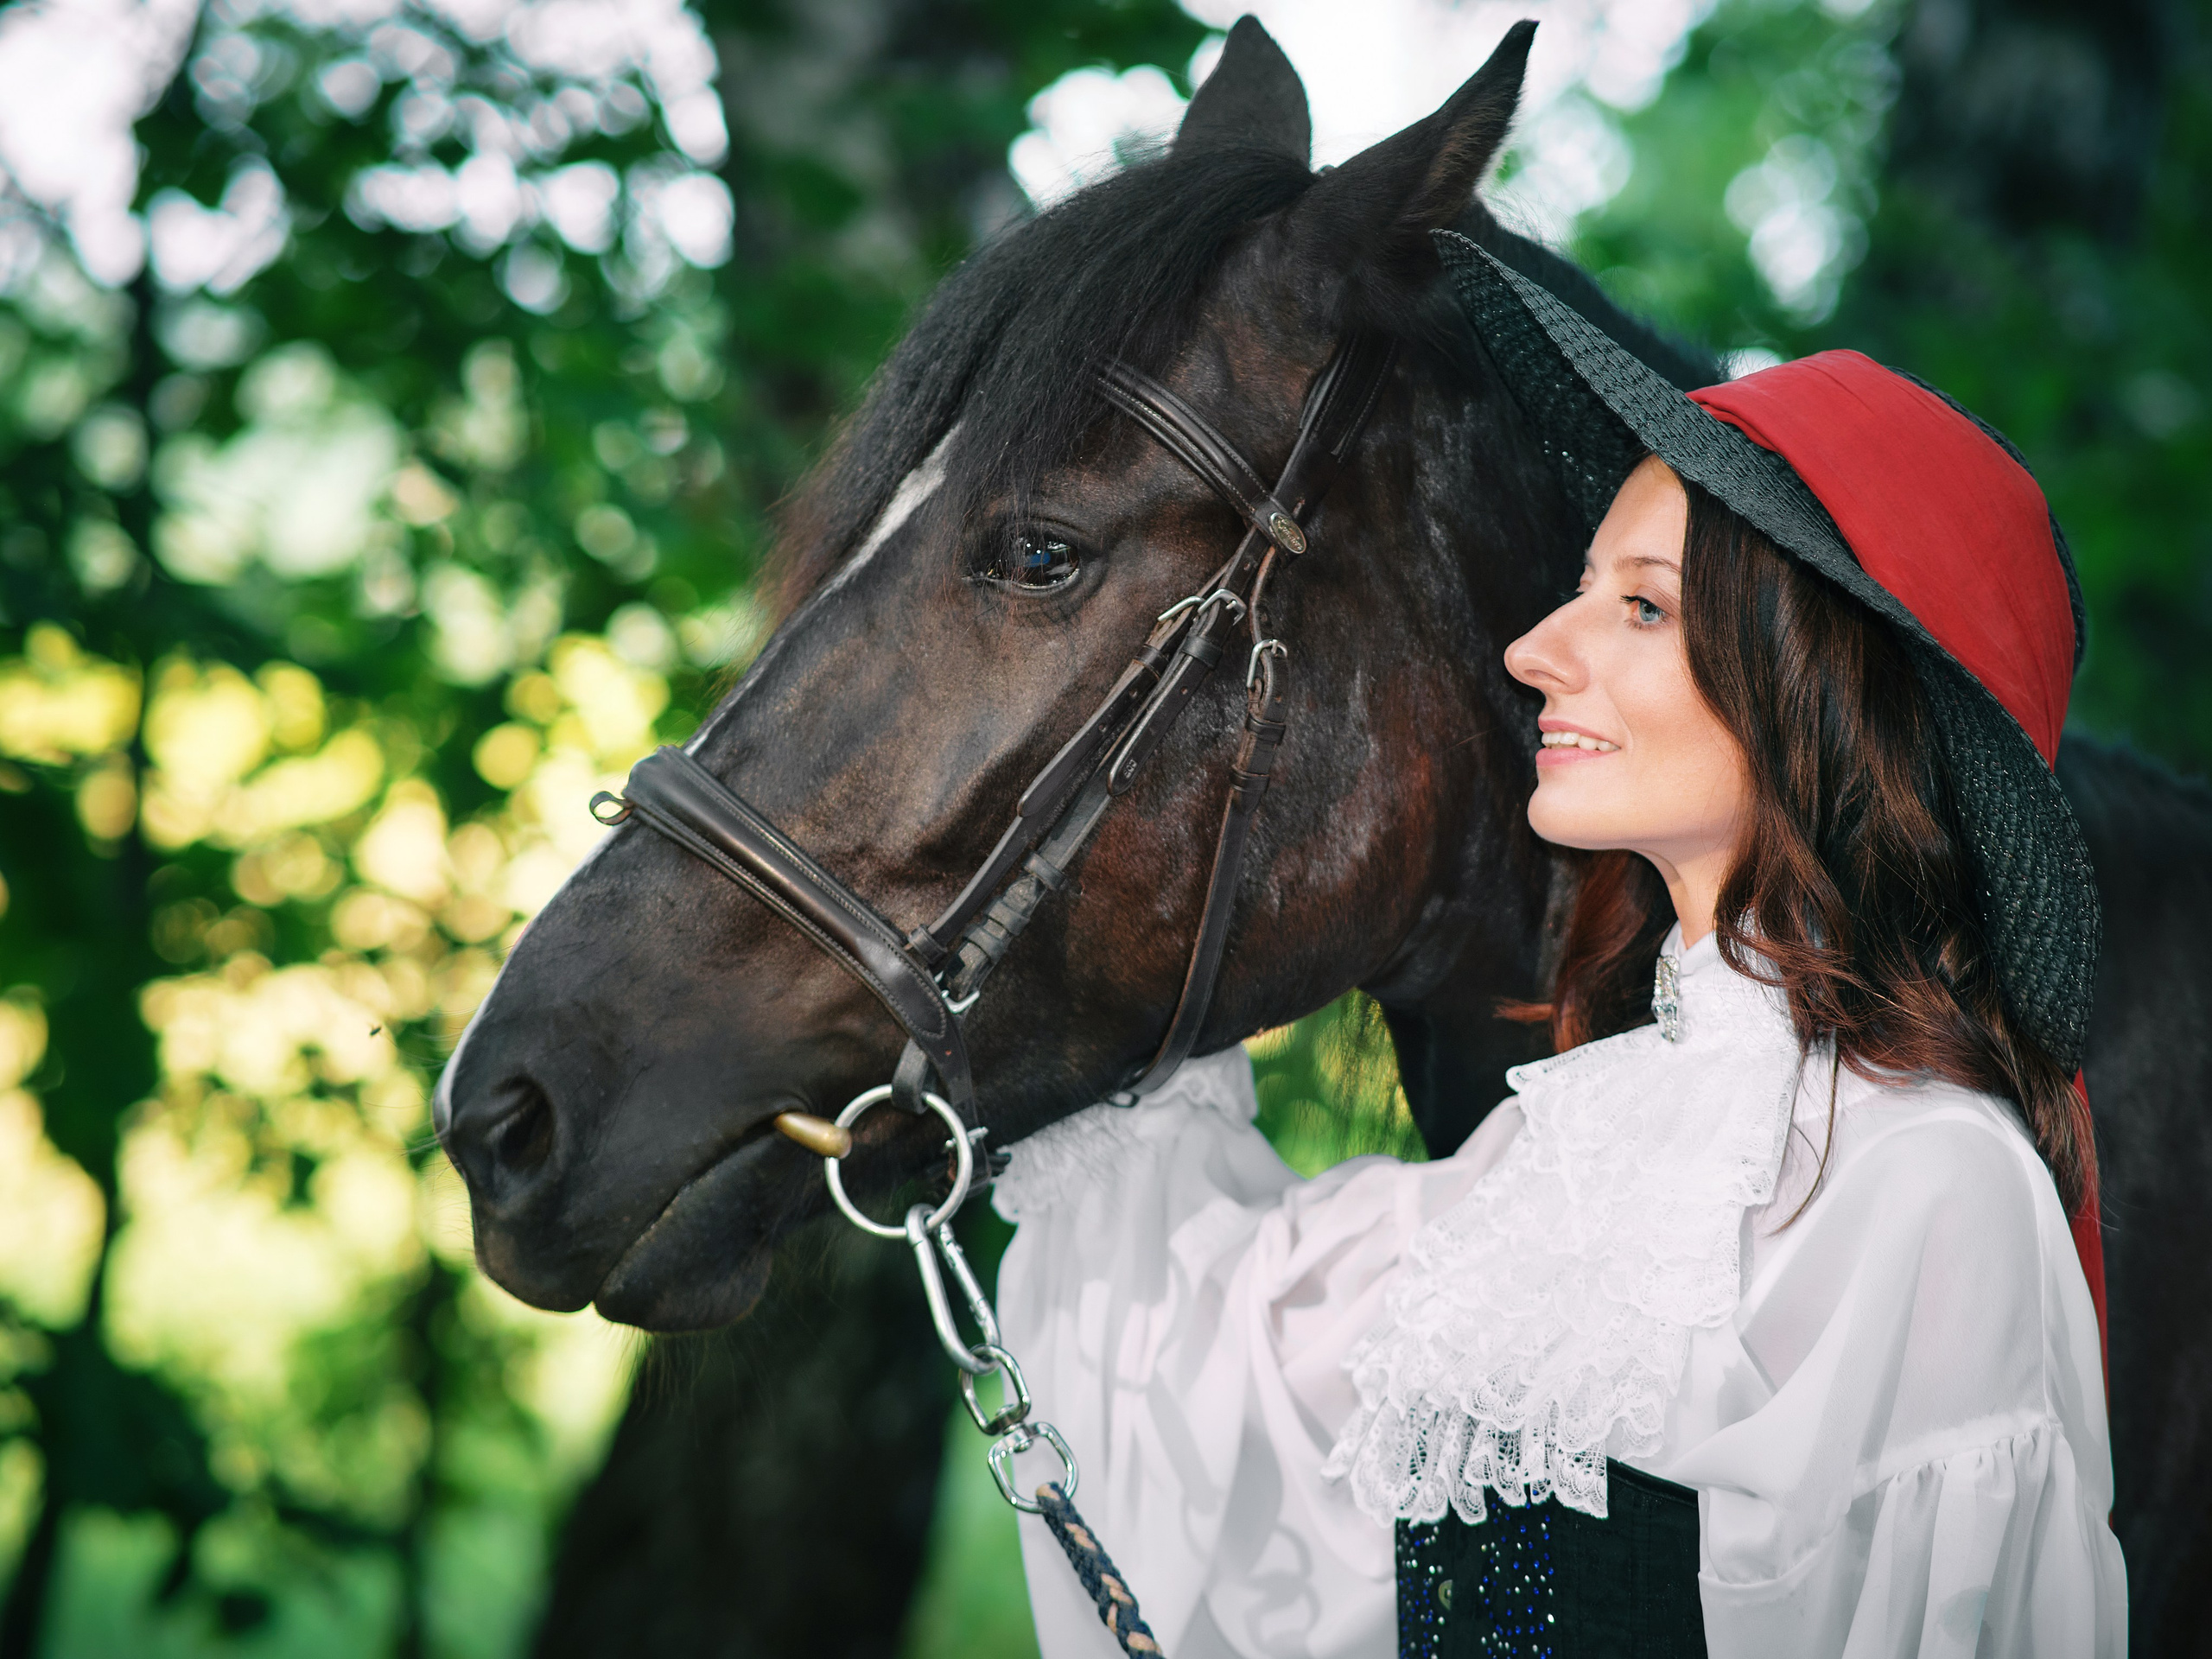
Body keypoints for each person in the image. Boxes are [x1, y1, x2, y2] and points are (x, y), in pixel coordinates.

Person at [988, 235, 2126, 1658]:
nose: (1537, 647)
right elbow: (1235, 1367)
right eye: (1584, 585)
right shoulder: (1582, 1139)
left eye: (1639, 605)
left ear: (1818, 689)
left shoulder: (1930, 1185)